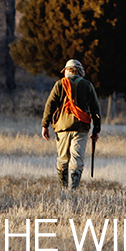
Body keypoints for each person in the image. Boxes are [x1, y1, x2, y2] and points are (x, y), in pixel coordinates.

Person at [41, 59, 101, 189]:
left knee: (63, 159)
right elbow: (96, 110)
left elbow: (50, 105)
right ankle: (73, 189)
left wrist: (45, 125)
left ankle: (63, 188)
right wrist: (96, 131)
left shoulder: (59, 84)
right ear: (80, 72)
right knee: (77, 160)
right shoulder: (87, 85)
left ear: (66, 70)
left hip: (62, 128)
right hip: (81, 127)